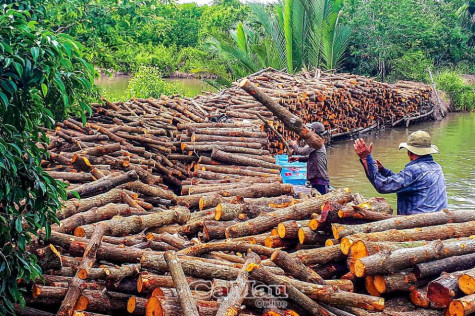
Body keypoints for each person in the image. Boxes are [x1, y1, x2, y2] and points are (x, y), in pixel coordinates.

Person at [354, 130, 448, 215]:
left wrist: (367, 159)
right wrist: (383, 171)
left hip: (419, 223)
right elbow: (406, 182)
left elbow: (382, 186)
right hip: (438, 219)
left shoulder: (414, 170)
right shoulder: (437, 167)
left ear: (410, 153)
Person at [288, 122, 330, 195]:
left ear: (313, 131)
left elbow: (302, 151)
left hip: (319, 177)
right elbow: (313, 157)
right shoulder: (317, 141)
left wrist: (293, 145)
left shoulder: (316, 142)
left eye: (310, 129)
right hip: (317, 177)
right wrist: (299, 159)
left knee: (322, 199)